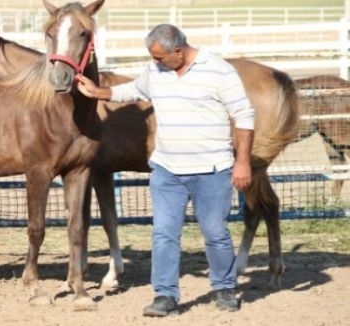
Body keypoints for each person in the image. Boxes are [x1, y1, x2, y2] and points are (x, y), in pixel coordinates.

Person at [76, 24, 254, 317]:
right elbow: (133, 89)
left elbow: (244, 114)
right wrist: (99, 92)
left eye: (159, 57)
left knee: (215, 233)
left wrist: (243, 161)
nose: (154, 63)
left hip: (211, 170)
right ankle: (165, 295)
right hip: (168, 170)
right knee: (163, 235)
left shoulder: (219, 71)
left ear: (178, 51)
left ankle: (224, 288)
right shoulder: (157, 70)